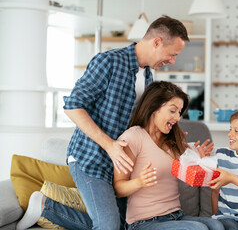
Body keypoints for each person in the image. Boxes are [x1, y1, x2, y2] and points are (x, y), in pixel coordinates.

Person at [16, 16, 189, 230]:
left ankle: (46, 207)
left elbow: (144, 127)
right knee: (108, 226)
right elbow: (73, 106)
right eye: (172, 54)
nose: (172, 61)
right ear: (157, 42)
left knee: (125, 224)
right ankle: (45, 207)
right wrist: (110, 146)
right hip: (91, 158)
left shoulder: (147, 77)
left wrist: (176, 143)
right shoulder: (108, 61)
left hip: (120, 166)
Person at [17, 81, 223, 230]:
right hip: (145, 222)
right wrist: (140, 182)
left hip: (175, 216)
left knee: (215, 225)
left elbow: (185, 171)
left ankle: (47, 207)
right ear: (154, 108)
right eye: (173, 110)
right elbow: (118, 187)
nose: (177, 117)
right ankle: (47, 207)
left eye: (180, 112)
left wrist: (198, 158)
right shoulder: (133, 138)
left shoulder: (174, 141)